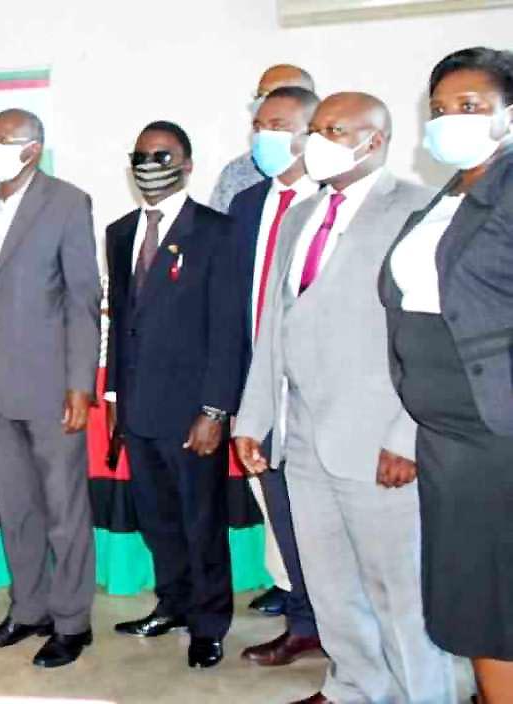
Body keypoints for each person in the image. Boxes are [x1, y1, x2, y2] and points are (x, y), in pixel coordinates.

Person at [235, 93, 455, 704]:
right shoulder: (303, 215)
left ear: (375, 141)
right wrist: (255, 417)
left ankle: (422, 694)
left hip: (379, 441)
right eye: (315, 129)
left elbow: (433, 338)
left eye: (333, 130)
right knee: (332, 587)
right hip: (303, 436)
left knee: (398, 593)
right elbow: (275, 326)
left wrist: (406, 434)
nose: (316, 141)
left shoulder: (417, 211)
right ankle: (357, 687)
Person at [0, 108, 101, 669]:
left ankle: (73, 621)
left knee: (64, 509)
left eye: (4, 140)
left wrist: (82, 386)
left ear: (32, 149)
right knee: (17, 509)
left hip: (51, 387)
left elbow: (82, 301)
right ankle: (29, 609)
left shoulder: (67, 202)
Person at [379, 46, 513, 702]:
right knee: (475, 599)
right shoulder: (451, 193)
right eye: (439, 108)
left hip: (497, 433)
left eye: (469, 105)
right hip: (447, 437)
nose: (449, 119)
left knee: (497, 599)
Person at [105, 121, 242, 670]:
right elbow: (121, 323)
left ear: (187, 163)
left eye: (162, 154)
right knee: (158, 518)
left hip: (192, 411)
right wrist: (114, 395)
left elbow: (228, 328)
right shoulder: (118, 232)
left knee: (200, 520)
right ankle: (173, 603)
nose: (150, 163)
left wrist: (214, 409)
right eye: (140, 154)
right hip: (137, 407)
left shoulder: (216, 231)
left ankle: (209, 624)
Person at [227, 88, 325, 666]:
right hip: (259, 391)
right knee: (280, 517)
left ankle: (352, 637)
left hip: (316, 392)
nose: (264, 135)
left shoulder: (328, 203)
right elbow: (230, 308)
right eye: (259, 124)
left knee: (327, 523)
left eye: (279, 124)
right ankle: (303, 621)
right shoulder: (248, 205)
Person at [209, 64, 316, 214]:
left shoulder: (334, 176)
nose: (267, 104)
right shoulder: (238, 172)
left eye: (280, 94)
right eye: (260, 96)